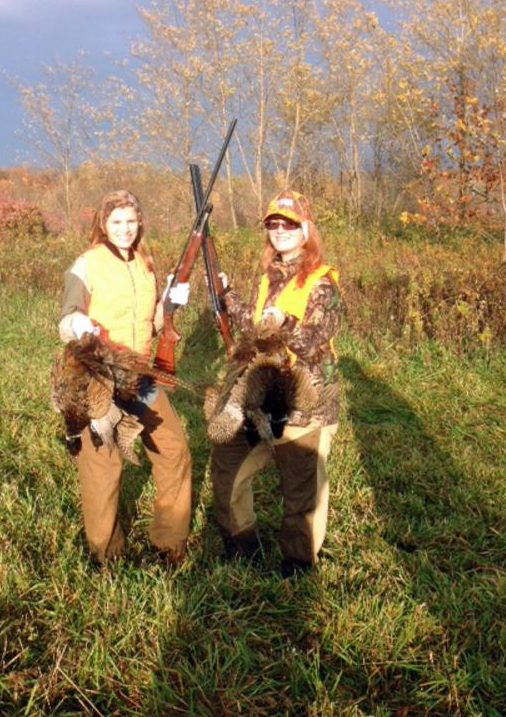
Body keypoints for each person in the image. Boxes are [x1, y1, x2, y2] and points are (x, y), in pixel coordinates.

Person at [211, 189, 342, 577]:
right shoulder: (268, 278)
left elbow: (317, 345)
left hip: (306, 399)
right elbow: (253, 324)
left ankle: (298, 567)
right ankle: (242, 548)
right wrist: (224, 292)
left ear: (306, 229)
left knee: (301, 490)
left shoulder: (323, 283)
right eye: (273, 224)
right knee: (227, 468)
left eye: (289, 224)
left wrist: (285, 324)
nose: (280, 231)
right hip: (259, 393)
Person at [59, 189, 192, 565]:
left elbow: (151, 322)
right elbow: (66, 318)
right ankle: (106, 556)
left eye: (131, 221)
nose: (125, 229)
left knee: (174, 449)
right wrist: (78, 323)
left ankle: (169, 543)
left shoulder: (144, 263)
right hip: (98, 377)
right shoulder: (86, 264)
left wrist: (171, 305)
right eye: (116, 222)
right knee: (103, 467)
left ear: (140, 223)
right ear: (103, 224)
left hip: (139, 375)